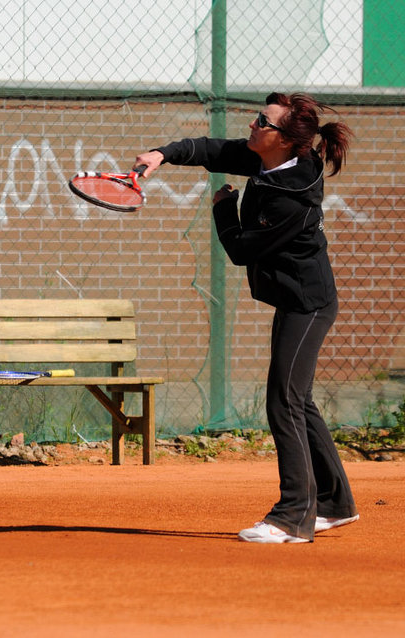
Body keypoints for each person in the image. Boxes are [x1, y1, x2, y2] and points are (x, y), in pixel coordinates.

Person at [134, 92, 359, 544]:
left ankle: (293, 516)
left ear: (285, 142)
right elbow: (212, 150)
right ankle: (335, 503)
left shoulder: (289, 198)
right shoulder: (270, 159)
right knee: (298, 398)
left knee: (284, 401)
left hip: (308, 304)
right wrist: (163, 154)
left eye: (263, 121)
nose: (253, 124)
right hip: (298, 297)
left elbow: (241, 249)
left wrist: (222, 206)